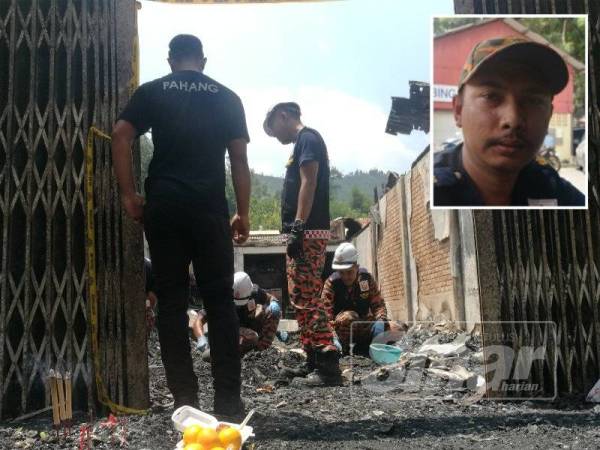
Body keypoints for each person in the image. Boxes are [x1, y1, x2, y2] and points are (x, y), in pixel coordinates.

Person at [111, 34, 251, 419]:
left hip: (165, 207)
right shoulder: (227, 97)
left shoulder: (154, 91)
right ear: (202, 61)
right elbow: (238, 159)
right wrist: (243, 212)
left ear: (171, 60)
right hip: (209, 209)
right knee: (220, 302)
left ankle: (185, 402)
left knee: (171, 304)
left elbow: (121, 135)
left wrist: (129, 194)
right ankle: (227, 403)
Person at [433, 37, 585, 207]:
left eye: (532, 101)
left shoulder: (557, 192)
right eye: (491, 96)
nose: (513, 120)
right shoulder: (426, 192)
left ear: (549, 115)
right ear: (458, 110)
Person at [263, 102, 342, 386]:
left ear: (283, 116)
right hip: (302, 233)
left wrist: (298, 227)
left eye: (274, 129)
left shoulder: (308, 138)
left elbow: (309, 181)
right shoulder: (301, 144)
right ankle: (314, 360)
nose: (276, 137)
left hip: (307, 232)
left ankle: (328, 362)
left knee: (307, 297)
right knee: (299, 297)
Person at [321, 243, 391, 355]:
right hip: (342, 329)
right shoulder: (331, 283)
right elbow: (325, 316)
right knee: (349, 316)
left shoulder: (366, 280)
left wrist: (381, 321)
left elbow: (378, 305)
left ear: (357, 268)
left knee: (393, 328)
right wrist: (332, 336)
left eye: (349, 272)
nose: (345, 277)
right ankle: (344, 350)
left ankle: (370, 347)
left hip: (363, 322)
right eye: (341, 273)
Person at [194, 272, 283, 358]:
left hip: (248, 326)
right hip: (228, 330)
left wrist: (274, 303)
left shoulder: (254, 292)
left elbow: (269, 298)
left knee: (272, 311)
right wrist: (201, 338)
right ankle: (222, 352)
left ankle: (261, 351)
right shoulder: (221, 297)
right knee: (252, 337)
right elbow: (199, 319)